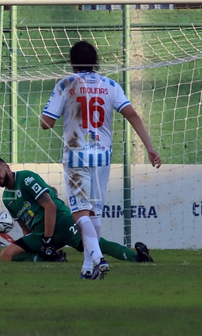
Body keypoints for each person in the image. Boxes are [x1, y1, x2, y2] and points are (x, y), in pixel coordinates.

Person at [41, 41, 162, 279]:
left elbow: (47, 123)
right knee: (94, 213)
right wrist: (149, 147)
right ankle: (88, 268)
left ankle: (97, 258)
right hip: (102, 157)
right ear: (95, 61)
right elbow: (132, 115)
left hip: (76, 155)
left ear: (72, 62)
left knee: (80, 213)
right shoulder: (111, 85)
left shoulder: (65, 84)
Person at [0, 156, 153, 269]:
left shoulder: (26, 178)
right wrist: (37, 247)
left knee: (94, 244)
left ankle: (138, 258)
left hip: (62, 223)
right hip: (40, 234)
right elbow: (24, 226)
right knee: (6, 255)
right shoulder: (6, 198)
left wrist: (47, 241)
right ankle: (54, 259)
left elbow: (50, 206)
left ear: (7, 167)